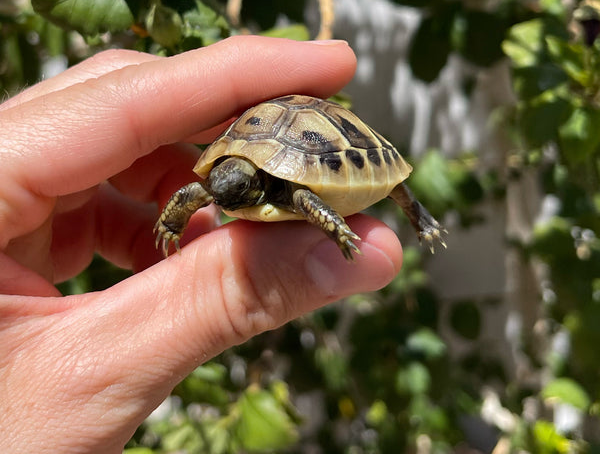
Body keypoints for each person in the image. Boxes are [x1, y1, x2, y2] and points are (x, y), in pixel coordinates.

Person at [0, 36, 402, 453]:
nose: (222, 197)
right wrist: (171, 223)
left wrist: (335, 229)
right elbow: (194, 194)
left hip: (307, 161)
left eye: (235, 190)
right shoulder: (221, 185)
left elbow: (304, 198)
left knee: (312, 199)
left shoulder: (289, 190)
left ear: (256, 183)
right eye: (219, 189)